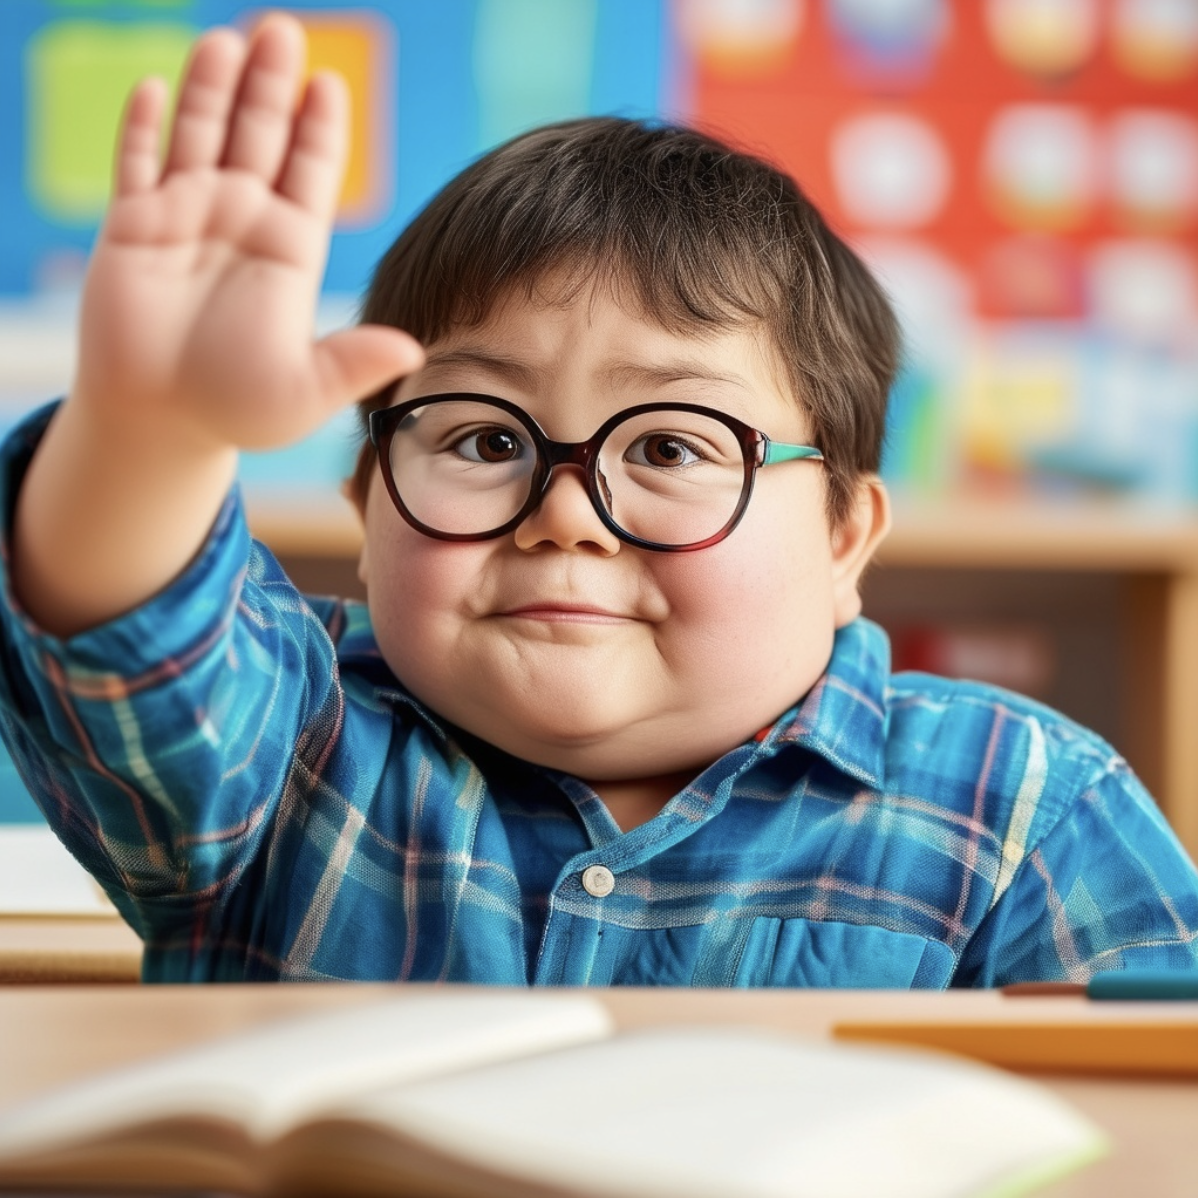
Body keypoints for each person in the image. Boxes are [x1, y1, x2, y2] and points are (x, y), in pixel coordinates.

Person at [0, 14, 1194, 985]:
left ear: (843, 537)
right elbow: (130, 640)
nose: (562, 515)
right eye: (480, 436)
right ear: (368, 510)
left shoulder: (1023, 805)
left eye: (672, 449)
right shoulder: (288, 752)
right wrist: (148, 430)